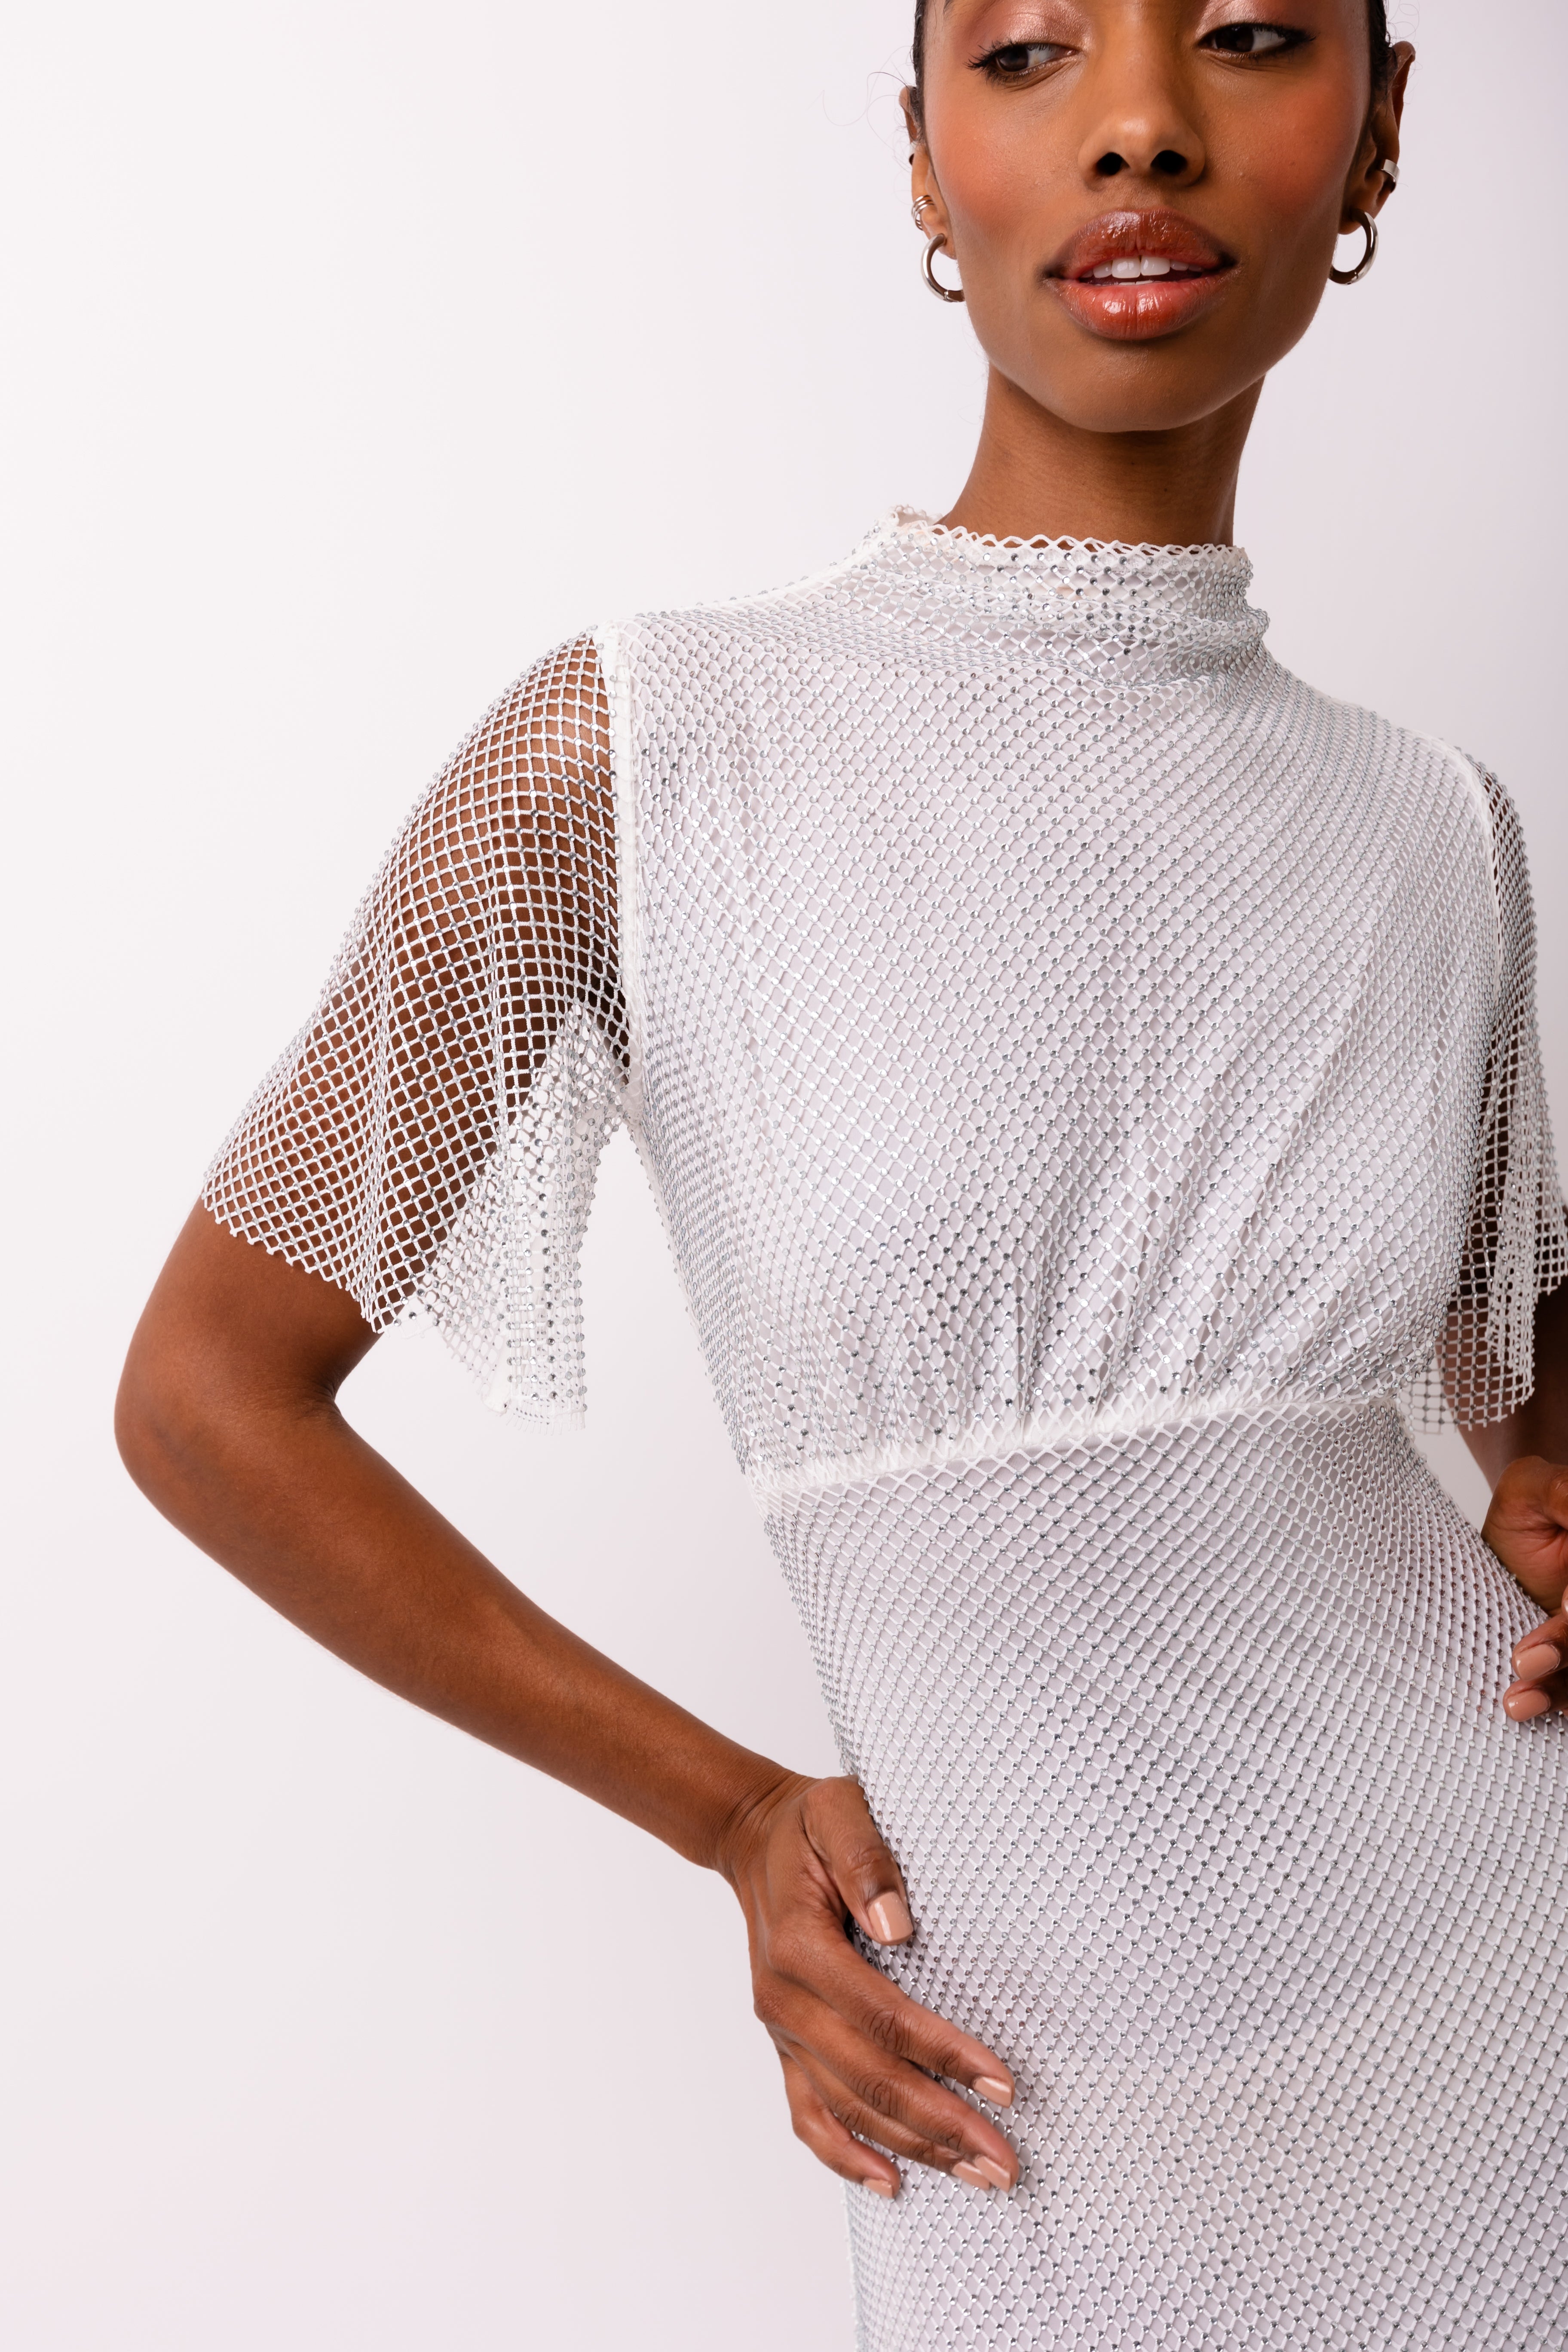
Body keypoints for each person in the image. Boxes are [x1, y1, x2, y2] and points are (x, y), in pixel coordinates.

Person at [117, 2, 1568, 2343]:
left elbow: (1523, 1427)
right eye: (1029, 52)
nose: (1140, 126)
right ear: (921, 158)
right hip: (1008, 2102)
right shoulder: (644, 754)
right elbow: (206, 1400)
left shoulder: (1441, 828)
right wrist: (728, 1815)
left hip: (1513, 2001)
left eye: (1247, 38)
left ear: (1379, 134)